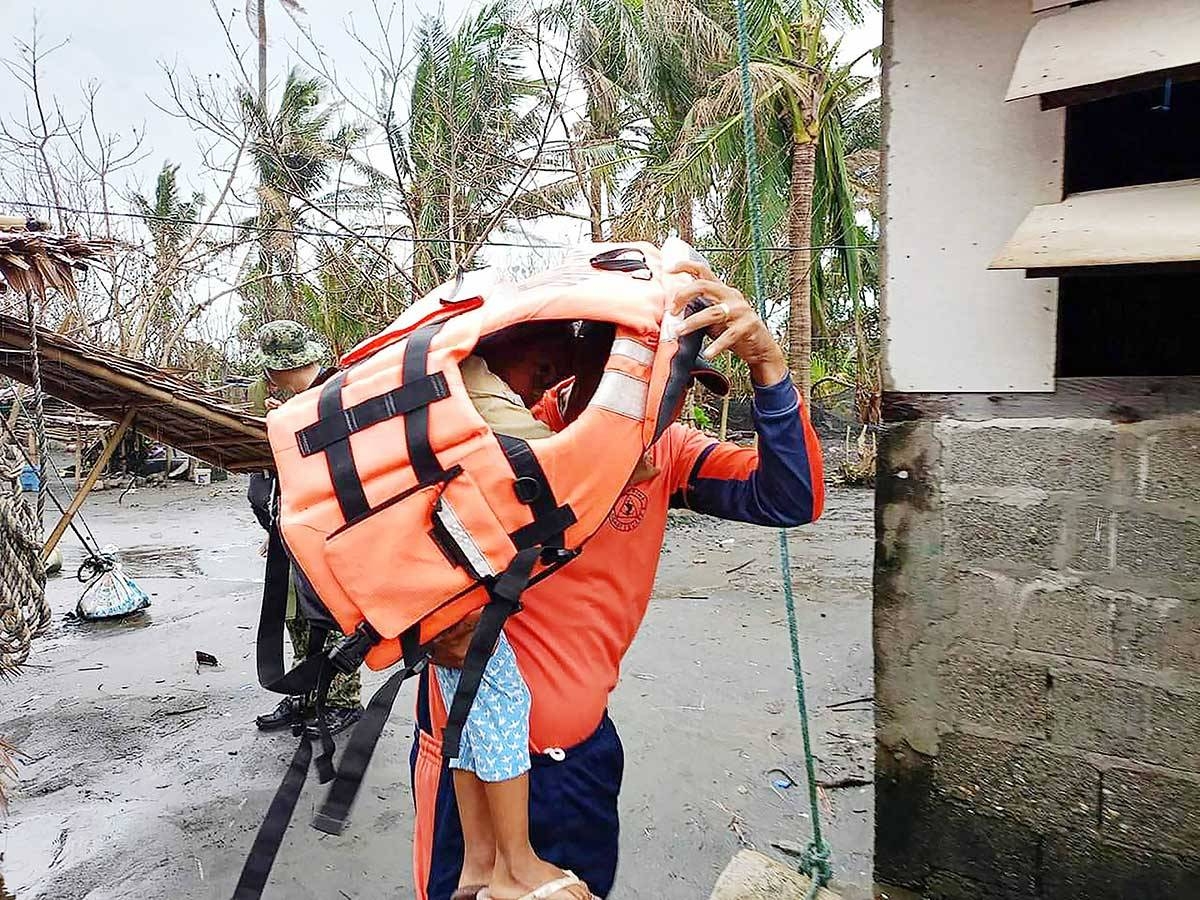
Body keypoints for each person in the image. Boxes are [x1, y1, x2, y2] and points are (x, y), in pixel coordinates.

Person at [412, 258, 826, 900]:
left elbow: (789, 497)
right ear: (603, 354)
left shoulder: (669, 455)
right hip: (472, 764)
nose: (668, 392)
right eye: (657, 369)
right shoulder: (504, 428)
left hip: (580, 757)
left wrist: (769, 369)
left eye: (682, 378)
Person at [246, 319, 364, 737]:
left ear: (278, 367)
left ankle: (341, 699)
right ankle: (304, 691)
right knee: (296, 614)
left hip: (330, 531)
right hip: (294, 529)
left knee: (329, 615)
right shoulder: (295, 403)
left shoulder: (335, 395)